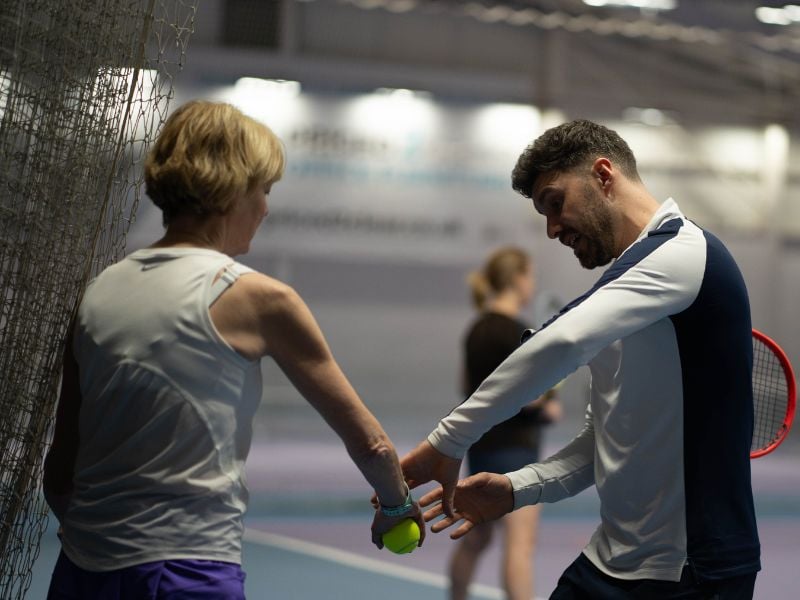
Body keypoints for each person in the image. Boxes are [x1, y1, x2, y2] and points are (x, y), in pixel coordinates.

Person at [42, 100, 423, 599]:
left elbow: (61, 471)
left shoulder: (97, 293)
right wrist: (397, 505)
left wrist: (106, 543)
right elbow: (371, 444)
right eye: (263, 190)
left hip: (79, 573)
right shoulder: (260, 298)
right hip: (185, 574)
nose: (265, 207)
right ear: (232, 189)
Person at [401, 119, 760, 599]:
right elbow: (602, 447)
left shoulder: (684, 254)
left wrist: (448, 441)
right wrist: (516, 489)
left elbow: (560, 342)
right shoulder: (624, 295)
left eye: (555, 203)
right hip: (608, 565)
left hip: (693, 573)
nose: (551, 229)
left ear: (604, 177)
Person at [449, 247, 560, 600]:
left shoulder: (476, 330)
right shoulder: (517, 332)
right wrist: (547, 406)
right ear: (518, 279)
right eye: (531, 276)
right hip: (516, 452)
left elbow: (467, 386)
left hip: (481, 447)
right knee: (519, 545)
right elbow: (529, 398)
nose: (533, 284)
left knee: (476, 537)